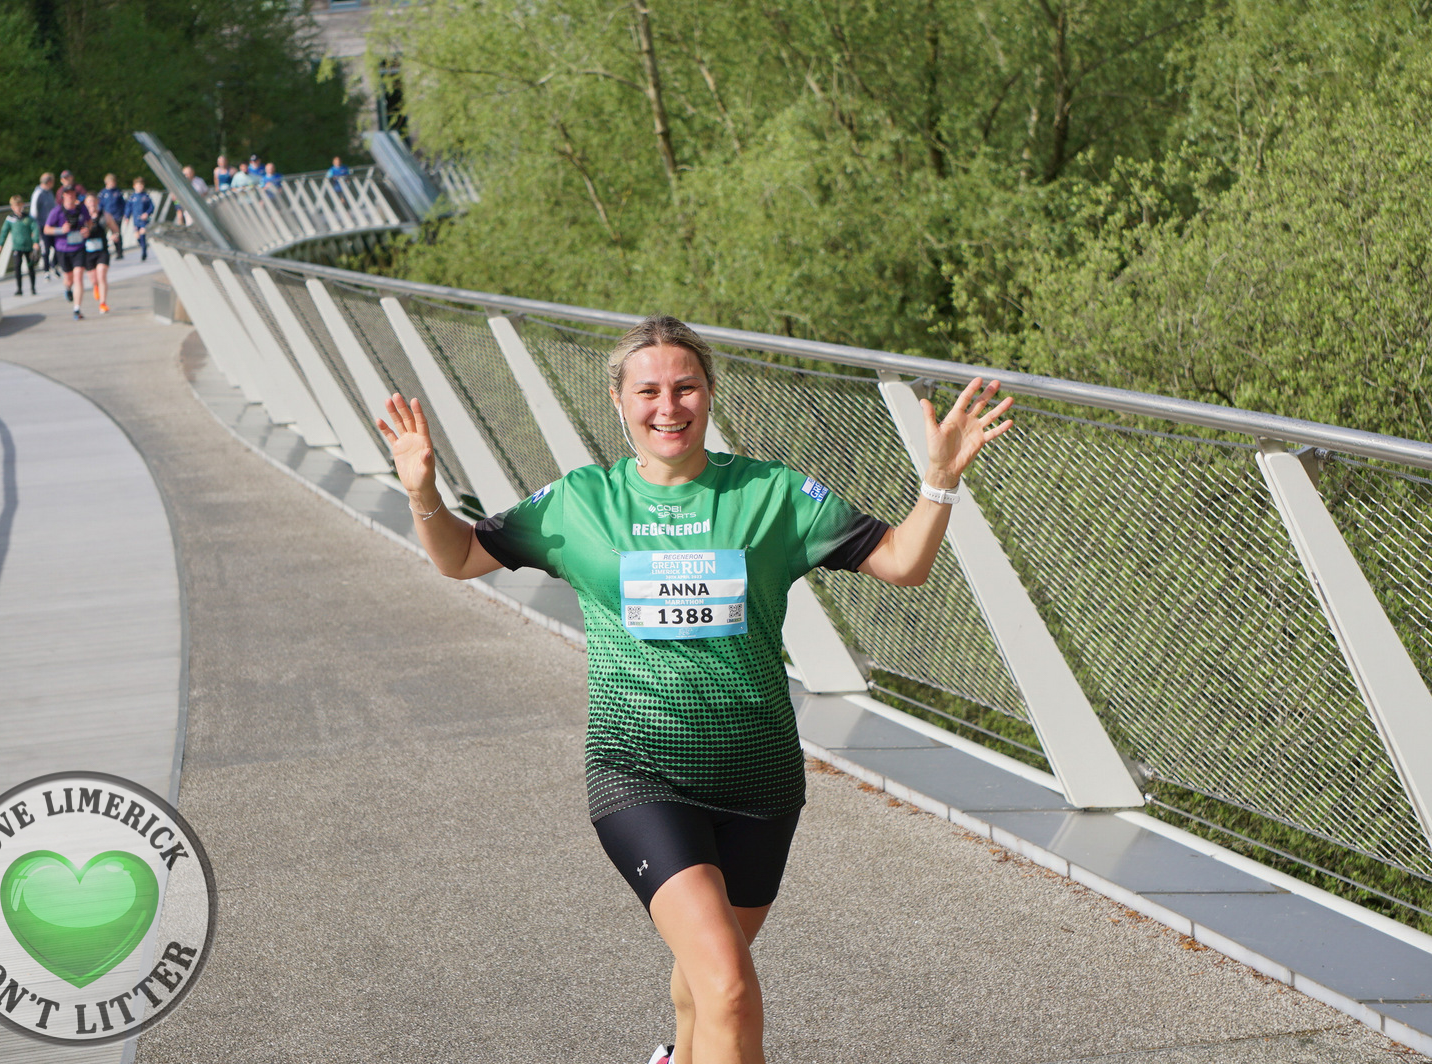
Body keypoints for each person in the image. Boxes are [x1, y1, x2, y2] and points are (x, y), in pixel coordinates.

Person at [373, 315, 1014, 1064]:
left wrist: (939, 482)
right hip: (640, 772)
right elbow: (458, 557)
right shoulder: (580, 503)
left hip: (760, 780)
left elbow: (904, 562)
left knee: (704, 978)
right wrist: (423, 492)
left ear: (709, 393)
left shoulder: (772, 494)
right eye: (648, 391)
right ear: (618, 401)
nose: (668, 406)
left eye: (685, 387)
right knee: (729, 987)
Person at [43, 187, 91, 320]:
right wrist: (61, 230)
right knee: (69, 278)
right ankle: (68, 289)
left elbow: (89, 223)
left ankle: (77, 309)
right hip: (63, 249)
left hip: (79, 248)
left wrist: (87, 230)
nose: (70, 196)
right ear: (63, 196)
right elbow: (46, 229)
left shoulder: (82, 209)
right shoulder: (57, 211)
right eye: (67, 194)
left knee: (78, 276)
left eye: (72, 194)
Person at [0, 195, 38, 297]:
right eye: (15, 206)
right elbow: (4, 232)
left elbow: (35, 229)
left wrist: (36, 242)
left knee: (30, 267)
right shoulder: (10, 219)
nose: (17, 208)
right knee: (17, 267)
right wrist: (0, 244)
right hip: (17, 247)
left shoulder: (28, 218)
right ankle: (19, 288)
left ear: (22, 205)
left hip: (28, 246)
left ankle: (33, 287)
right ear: (12, 207)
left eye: (19, 206)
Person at [82, 193, 114, 314]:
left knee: (102, 275)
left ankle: (103, 303)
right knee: (94, 278)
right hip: (88, 251)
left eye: (93, 201)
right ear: (85, 204)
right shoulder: (82, 218)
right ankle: (95, 286)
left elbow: (115, 229)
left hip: (102, 250)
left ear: (97, 202)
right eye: (89, 201)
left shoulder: (105, 216)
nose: (91, 204)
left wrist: (115, 235)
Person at [31, 173, 58, 280]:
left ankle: (53, 265)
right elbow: (33, 212)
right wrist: (35, 229)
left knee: (58, 246)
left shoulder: (49, 193)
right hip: (42, 226)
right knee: (45, 248)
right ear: (49, 182)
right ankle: (46, 270)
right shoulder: (38, 193)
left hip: (52, 225)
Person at [97, 174, 127, 260]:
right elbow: (100, 205)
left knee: (117, 234)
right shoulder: (103, 193)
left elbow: (123, 204)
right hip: (107, 217)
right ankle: (105, 251)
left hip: (117, 216)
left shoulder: (118, 192)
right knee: (104, 234)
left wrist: (124, 214)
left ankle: (119, 252)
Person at [124, 177, 153, 261]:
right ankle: (144, 246)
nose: (140, 187)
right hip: (136, 221)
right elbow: (128, 208)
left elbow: (151, 207)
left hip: (144, 220)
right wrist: (127, 217)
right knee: (137, 236)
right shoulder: (132, 197)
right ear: (134, 186)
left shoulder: (146, 196)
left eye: (141, 185)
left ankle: (144, 253)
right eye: (138, 185)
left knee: (142, 234)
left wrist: (147, 213)